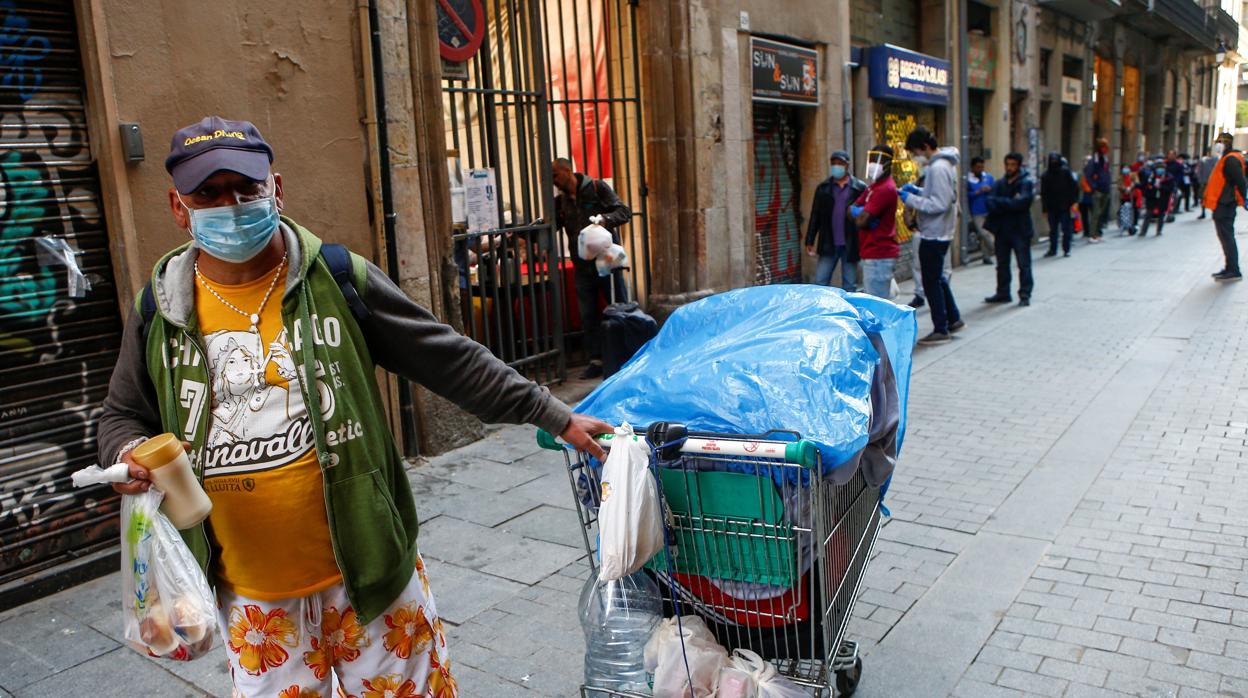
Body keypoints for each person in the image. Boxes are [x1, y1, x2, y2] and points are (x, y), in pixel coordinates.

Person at [97, 116, 612, 698]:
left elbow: (448, 357)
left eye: (247, 189)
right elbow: (121, 415)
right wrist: (127, 453)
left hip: (371, 578)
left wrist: (555, 414)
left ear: (277, 189)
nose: (231, 206)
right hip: (251, 599)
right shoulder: (160, 308)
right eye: (208, 194)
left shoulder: (338, 278)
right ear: (177, 205)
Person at [552, 157, 632, 379]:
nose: (554, 181)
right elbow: (551, 226)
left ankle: (627, 355)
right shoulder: (560, 202)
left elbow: (623, 211)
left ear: (567, 171)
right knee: (587, 315)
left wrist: (605, 220)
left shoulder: (597, 188)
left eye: (555, 175)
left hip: (606, 262)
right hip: (582, 266)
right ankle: (595, 360)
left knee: (619, 308)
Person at [900, 126, 963, 345]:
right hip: (940, 232)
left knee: (931, 281)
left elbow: (939, 203)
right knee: (938, 278)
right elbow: (938, 195)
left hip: (934, 233)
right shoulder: (945, 165)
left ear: (926, 147)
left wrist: (910, 199)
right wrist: (917, 192)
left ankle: (940, 327)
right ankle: (953, 318)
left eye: (916, 152)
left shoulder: (937, 168)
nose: (916, 158)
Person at [805, 150, 865, 290]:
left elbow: (866, 216)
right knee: (821, 281)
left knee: (849, 284)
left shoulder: (859, 188)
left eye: (840, 163)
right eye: (834, 163)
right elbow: (815, 215)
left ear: (847, 165)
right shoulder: (823, 188)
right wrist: (810, 239)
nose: (836, 166)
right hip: (828, 242)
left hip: (851, 243)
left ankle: (848, 311)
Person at [983, 153, 1036, 307]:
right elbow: (989, 202)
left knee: (1023, 264)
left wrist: (1002, 203)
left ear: (1019, 165)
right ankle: (1003, 292)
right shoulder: (1000, 183)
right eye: (1008, 164)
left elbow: (1022, 204)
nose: (1010, 168)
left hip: (1020, 230)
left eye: (1013, 165)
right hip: (1002, 230)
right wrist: (1010, 202)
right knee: (1002, 264)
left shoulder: (1025, 183)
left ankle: (1025, 294)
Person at [850, 145, 902, 298]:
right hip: (872, 252)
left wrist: (860, 213)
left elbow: (861, 221)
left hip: (879, 254)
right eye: (871, 160)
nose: (872, 164)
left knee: (877, 307)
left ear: (887, 163)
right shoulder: (873, 187)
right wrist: (860, 213)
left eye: (877, 160)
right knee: (877, 302)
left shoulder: (884, 189)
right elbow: (851, 210)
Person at [1203, 132, 1247, 281]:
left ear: (1227, 143)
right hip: (1223, 203)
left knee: (1227, 237)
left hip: (1225, 204)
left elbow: (1240, 181)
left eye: (1220, 142)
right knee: (1225, 237)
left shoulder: (1230, 160)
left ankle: (1234, 270)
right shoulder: (1227, 158)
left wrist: (1245, 198)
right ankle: (1230, 267)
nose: (1218, 145)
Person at [1040, 152, 1079, 257]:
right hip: (1052, 207)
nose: (1053, 162)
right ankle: (1053, 249)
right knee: (1053, 230)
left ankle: (1066, 249)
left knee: (1066, 228)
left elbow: (1074, 187)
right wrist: (1044, 209)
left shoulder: (1065, 172)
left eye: (1055, 159)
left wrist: (1074, 202)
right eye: (1051, 160)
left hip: (1065, 206)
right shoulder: (1046, 175)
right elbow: (1044, 193)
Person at [966, 156, 995, 265]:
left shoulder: (988, 177)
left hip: (989, 208)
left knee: (988, 232)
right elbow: (966, 195)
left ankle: (986, 255)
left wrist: (989, 190)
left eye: (982, 167)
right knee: (984, 233)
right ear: (972, 167)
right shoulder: (968, 180)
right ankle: (996, 248)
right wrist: (977, 192)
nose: (980, 169)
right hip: (976, 210)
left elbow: (995, 190)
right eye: (978, 167)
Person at [1083, 138, 1112, 242]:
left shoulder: (1105, 159)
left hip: (1105, 189)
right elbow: (1088, 175)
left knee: (1101, 213)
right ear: (1100, 148)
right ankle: (1092, 234)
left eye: (1106, 147)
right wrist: (1094, 186)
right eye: (1103, 147)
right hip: (1098, 190)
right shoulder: (1093, 161)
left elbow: (1107, 173)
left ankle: (1098, 233)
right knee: (1096, 213)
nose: (1105, 149)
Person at [1139, 160, 1176, 237]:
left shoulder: (1168, 177)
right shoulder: (1151, 176)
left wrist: (1161, 187)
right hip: (1151, 198)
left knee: (1161, 215)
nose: (1160, 170)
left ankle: (1159, 230)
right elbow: (1145, 186)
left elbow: (1171, 188)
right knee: (1148, 214)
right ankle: (1143, 231)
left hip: (1163, 198)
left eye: (1162, 168)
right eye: (1158, 168)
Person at [1199, 147, 1220, 220]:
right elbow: (1200, 171)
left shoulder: (1216, 160)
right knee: (1203, 198)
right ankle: (1203, 212)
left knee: (1213, 198)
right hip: (1204, 182)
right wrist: (1200, 180)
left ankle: (1214, 212)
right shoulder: (1203, 160)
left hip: (1213, 183)